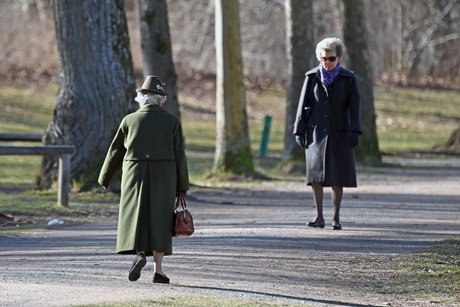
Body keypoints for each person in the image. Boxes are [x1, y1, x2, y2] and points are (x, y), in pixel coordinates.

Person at [98, 75, 189, 284]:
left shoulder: (129, 120)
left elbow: (115, 151)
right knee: (160, 219)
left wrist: (105, 177)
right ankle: (158, 269)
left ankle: (139, 254)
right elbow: (179, 155)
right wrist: (182, 185)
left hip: (134, 172)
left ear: (141, 97)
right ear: (161, 99)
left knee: (136, 214)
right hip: (164, 175)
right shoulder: (171, 122)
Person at [293, 37, 361, 230]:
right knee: (316, 176)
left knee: (337, 176)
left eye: (331, 58)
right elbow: (302, 105)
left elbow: (355, 108)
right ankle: (319, 217)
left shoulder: (348, 79)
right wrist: (298, 129)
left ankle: (336, 218)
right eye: (323, 59)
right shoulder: (311, 77)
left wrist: (355, 131)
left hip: (340, 133)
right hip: (315, 133)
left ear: (338, 57)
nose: (327, 62)